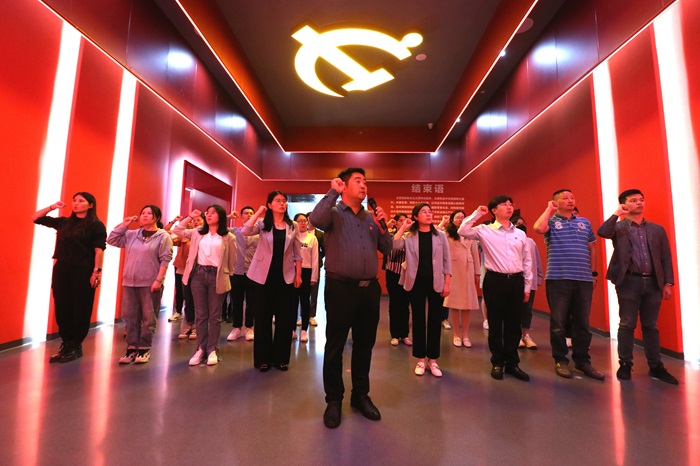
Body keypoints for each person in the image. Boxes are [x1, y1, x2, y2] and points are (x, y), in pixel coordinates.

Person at [311, 167, 392, 428]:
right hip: (340, 288)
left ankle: (360, 395)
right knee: (335, 345)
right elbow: (316, 219)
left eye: (365, 181)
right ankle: (334, 399)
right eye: (358, 180)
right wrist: (332, 191)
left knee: (364, 344)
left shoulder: (370, 217)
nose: (364, 185)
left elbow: (387, 249)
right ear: (344, 186)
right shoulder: (333, 213)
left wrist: (383, 227)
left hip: (369, 290)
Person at [597, 189, 678, 384]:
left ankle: (656, 366)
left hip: (653, 282)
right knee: (627, 324)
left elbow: (665, 257)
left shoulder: (657, 229)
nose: (639, 203)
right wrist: (617, 213)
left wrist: (668, 282)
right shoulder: (618, 227)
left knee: (651, 326)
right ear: (624, 204)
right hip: (628, 281)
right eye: (633, 200)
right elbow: (602, 232)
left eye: (641, 200)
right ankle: (625, 363)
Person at [458, 195, 532, 382]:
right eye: (504, 205)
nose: (509, 207)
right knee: (496, 323)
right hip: (495, 280)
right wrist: (477, 214)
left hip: (516, 280)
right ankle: (497, 362)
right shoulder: (485, 230)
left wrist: (527, 286)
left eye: (510, 204)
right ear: (494, 210)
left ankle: (513, 363)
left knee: (514, 324)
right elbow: (462, 230)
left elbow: (527, 261)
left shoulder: (520, 233)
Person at [533, 189, 605, 380]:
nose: (570, 200)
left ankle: (582, 361)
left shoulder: (584, 222)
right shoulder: (550, 221)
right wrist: (549, 209)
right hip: (558, 278)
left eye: (572, 197)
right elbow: (538, 228)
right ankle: (561, 360)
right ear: (555, 202)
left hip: (583, 279)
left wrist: (593, 273)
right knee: (558, 323)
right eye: (565, 198)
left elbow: (592, 248)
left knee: (582, 323)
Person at [32, 193, 107, 363]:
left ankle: (75, 345)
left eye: (81, 201)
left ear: (90, 205)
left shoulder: (96, 226)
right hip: (62, 268)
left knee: (80, 307)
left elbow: (99, 250)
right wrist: (52, 207)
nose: (76, 203)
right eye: (74, 200)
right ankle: (66, 344)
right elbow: (35, 218)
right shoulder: (64, 222)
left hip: (83, 270)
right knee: (62, 306)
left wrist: (96, 272)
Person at [243, 191, 302, 372]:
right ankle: (263, 359)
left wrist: (298, 275)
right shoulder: (263, 224)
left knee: (285, 318)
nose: (282, 203)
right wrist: (259, 212)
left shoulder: (292, 226)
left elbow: (297, 253)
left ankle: (281, 359)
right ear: (269, 204)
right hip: (262, 277)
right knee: (263, 317)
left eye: (284, 201)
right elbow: (245, 230)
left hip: (286, 276)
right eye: (277, 201)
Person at [108, 205, 173, 364]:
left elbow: (165, 259)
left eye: (149, 213)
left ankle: (144, 348)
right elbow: (111, 239)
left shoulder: (163, 236)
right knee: (130, 317)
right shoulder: (132, 234)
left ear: (157, 217)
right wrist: (125, 224)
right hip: (130, 282)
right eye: (143, 213)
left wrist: (158, 280)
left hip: (150, 283)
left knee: (148, 318)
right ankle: (131, 347)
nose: (145, 215)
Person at [393, 203, 451, 377]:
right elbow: (394, 246)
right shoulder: (410, 236)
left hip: (436, 283)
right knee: (418, 320)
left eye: (430, 212)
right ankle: (420, 359)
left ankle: (433, 360)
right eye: (424, 212)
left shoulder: (440, 235)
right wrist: (403, 227)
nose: (428, 214)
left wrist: (447, 283)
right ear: (416, 217)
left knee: (435, 321)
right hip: (415, 283)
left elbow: (447, 260)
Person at [441, 210, 480, 348]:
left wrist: (477, 272)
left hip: (468, 269)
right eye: (457, 217)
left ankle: (466, 335)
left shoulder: (470, 233)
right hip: (453, 270)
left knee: (467, 305)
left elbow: (475, 253)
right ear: (452, 220)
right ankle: (457, 335)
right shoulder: (447, 233)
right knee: (454, 303)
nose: (460, 219)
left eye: (463, 217)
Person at [225, 206, 259, 342]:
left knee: (252, 301)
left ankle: (249, 327)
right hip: (237, 271)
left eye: (251, 213)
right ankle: (237, 327)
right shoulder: (234, 232)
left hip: (253, 271)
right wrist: (228, 217)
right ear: (241, 216)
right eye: (246, 213)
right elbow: (219, 226)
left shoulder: (259, 233)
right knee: (236, 301)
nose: (249, 215)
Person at [511, 216, 543, 349]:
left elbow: (536, 260)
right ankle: (515, 335)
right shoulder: (509, 240)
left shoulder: (531, 242)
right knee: (514, 309)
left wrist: (539, 277)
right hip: (514, 280)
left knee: (527, 309)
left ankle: (526, 334)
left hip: (530, 281)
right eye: (518, 224)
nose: (521, 226)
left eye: (523, 224)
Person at [384, 213, 412, 346]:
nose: (403, 223)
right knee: (395, 304)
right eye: (400, 221)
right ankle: (395, 335)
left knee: (405, 305)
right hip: (393, 272)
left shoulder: (411, 236)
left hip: (407, 274)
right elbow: (394, 245)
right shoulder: (390, 234)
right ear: (395, 223)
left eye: (405, 220)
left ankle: (404, 334)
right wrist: (401, 229)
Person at [294, 213, 319, 343]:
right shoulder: (291, 236)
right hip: (292, 271)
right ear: (295, 223)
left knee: (304, 301)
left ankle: (304, 330)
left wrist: (314, 276)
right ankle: (292, 329)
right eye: (300, 221)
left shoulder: (312, 238)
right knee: (292, 301)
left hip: (306, 271)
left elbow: (315, 258)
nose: (303, 223)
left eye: (305, 221)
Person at [306, 213, 325, 327]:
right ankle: (303, 315)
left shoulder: (320, 234)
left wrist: (318, 257)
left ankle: (311, 316)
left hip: (315, 266)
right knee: (303, 292)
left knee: (314, 292)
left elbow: (325, 249)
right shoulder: (302, 232)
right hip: (302, 266)